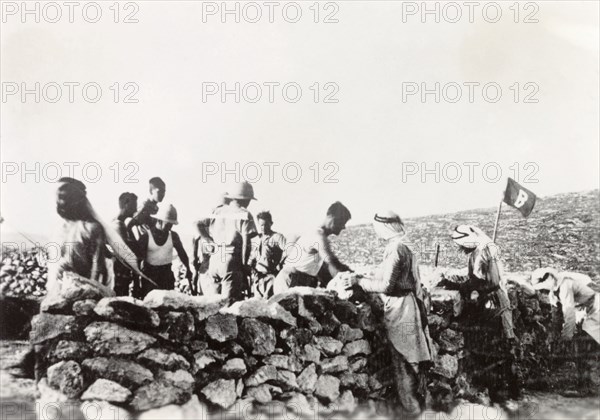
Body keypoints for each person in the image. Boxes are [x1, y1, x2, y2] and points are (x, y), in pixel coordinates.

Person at [343, 211, 432, 416]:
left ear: (385, 227)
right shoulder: (404, 246)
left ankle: (413, 412)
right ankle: (419, 410)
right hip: (409, 307)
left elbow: (387, 286)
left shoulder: (395, 249)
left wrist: (358, 282)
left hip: (401, 310)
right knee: (413, 364)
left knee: (404, 364)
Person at [439, 225, 520, 401]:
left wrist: (463, 287)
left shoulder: (484, 251)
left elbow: (488, 281)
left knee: (494, 350)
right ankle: (501, 391)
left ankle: (502, 393)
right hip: (488, 304)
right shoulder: (480, 251)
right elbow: (476, 279)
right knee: (492, 350)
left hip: (492, 305)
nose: (462, 249)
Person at [273, 201, 352, 294]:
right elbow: (331, 260)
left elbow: (324, 269)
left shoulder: (319, 237)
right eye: (341, 222)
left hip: (298, 279)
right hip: (290, 280)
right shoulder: (318, 236)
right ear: (331, 218)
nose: (343, 227)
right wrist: (351, 274)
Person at [198, 181, 257, 303]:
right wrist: (244, 264)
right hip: (231, 261)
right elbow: (246, 243)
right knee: (228, 306)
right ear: (246, 199)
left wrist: (208, 240)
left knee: (213, 305)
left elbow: (197, 224)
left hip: (215, 260)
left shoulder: (218, 211)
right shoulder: (245, 214)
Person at [138, 203, 194, 297]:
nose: (170, 227)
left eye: (172, 225)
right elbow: (138, 260)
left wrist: (188, 269)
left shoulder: (173, 236)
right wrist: (136, 284)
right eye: (168, 224)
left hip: (166, 276)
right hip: (150, 277)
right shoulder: (146, 237)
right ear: (159, 221)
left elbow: (182, 253)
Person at [531, 268, 599, 345]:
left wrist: (566, 337)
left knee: (591, 329)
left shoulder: (565, 285)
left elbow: (569, 313)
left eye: (549, 276)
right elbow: (557, 315)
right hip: (586, 309)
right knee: (586, 328)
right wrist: (554, 334)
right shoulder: (553, 293)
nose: (550, 278)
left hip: (595, 305)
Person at [192, 194, 231, 294]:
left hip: (213, 262)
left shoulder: (219, 224)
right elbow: (195, 239)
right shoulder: (209, 221)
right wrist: (208, 240)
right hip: (207, 264)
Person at [248, 211, 287, 298]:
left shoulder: (277, 237)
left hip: (272, 276)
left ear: (271, 223)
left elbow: (288, 250)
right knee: (257, 303)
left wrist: (280, 263)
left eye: (266, 224)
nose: (263, 227)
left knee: (269, 301)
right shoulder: (257, 239)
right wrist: (251, 266)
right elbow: (252, 256)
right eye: (261, 225)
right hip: (258, 277)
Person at [112, 192, 141, 297]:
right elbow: (128, 251)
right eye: (134, 206)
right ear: (126, 204)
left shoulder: (123, 225)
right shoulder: (118, 226)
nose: (135, 210)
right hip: (119, 277)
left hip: (123, 276)